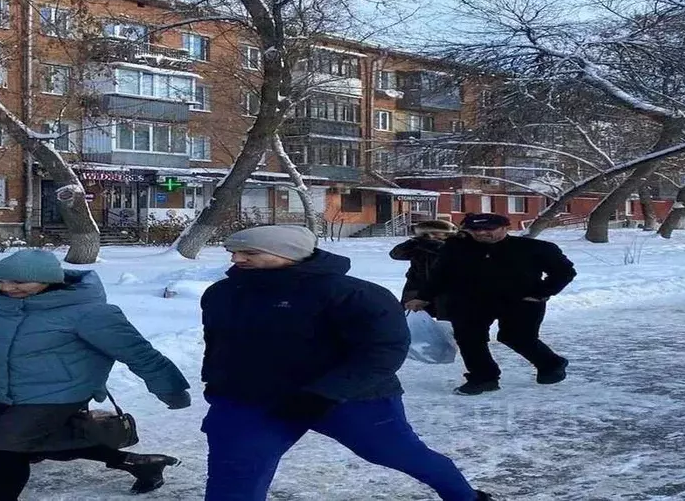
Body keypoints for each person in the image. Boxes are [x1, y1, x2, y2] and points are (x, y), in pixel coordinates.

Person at [200, 225, 495, 501]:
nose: (237, 259)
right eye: (234, 253)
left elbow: (384, 350)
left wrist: (324, 394)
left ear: (288, 253)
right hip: (250, 399)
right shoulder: (223, 293)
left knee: (399, 454)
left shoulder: (355, 294)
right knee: (235, 473)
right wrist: (218, 382)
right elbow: (220, 343)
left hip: (350, 399)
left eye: (250, 253)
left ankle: (465, 496)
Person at [0, 249, 191, 500]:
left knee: (4, 448)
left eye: (19, 282)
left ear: (50, 280)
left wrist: (169, 387)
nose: (7, 288)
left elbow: (137, 352)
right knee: (50, 445)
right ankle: (141, 463)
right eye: (0, 280)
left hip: (57, 393)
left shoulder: (89, 312)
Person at [406, 213, 576, 396]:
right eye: (475, 229)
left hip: (521, 302)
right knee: (469, 337)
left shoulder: (535, 248)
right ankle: (484, 378)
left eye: (489, 229)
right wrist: (423, 297)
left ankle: (551, 364)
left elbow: (564, 272)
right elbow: (441, 276)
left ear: (505, 228)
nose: (481, 233)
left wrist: (541, 293)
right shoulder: (456, 248)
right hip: (472, 301)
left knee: (516, 337)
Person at [389, 219, 458, 320]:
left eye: (436, 233)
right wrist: (414, 242)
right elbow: (396, 254)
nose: (432, 236)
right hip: (416, 289)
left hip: (445, 292)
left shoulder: (455, 246)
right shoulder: (418, 245)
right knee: (410, 320)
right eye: (428, 233)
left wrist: (429, 244)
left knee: (446, 323)